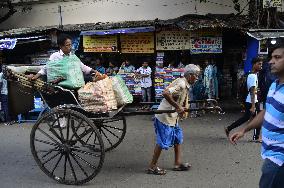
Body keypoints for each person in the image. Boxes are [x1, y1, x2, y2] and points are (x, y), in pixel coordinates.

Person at [229, 45, 284, 188]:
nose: (271, 61)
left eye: (277, 57)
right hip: (270, 153)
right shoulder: (274, 86)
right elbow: (266, 112)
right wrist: (244, 130)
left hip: (279, 160)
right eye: (271, 57)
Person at [147, 64, 200, 175]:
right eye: (196, 75)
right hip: (164, 117)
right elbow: (165, 93)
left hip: (173, 117)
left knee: (177, 139)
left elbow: (179, 100)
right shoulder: (181, 84)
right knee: (162, 142)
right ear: (190, 75)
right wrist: (177, 106)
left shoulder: (185, 84)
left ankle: (177, 163)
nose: (197, 78)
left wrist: (181, 107)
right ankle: (152, 167)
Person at [30, 34, 98, 82]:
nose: (70, 47)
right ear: (60, 46)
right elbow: (46, 68)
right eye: (67, 45)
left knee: (89, 78)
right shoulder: (55, 56)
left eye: (70, 44)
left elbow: (83, 67)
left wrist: (94, 71)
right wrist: (35, 77)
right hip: (60, 84)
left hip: (75, 82)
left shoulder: (73, 56)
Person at [225, 57, 263, 141]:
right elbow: (252, 91)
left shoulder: (251, 74)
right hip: (251, 101)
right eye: (259, 64)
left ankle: (229, 128)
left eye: (261, 64)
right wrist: (253, 105)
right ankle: (256, 137)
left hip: (251, 100)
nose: (261, 66)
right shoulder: (252, 76)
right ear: (254, 64)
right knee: (256, 119)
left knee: (248, 118)